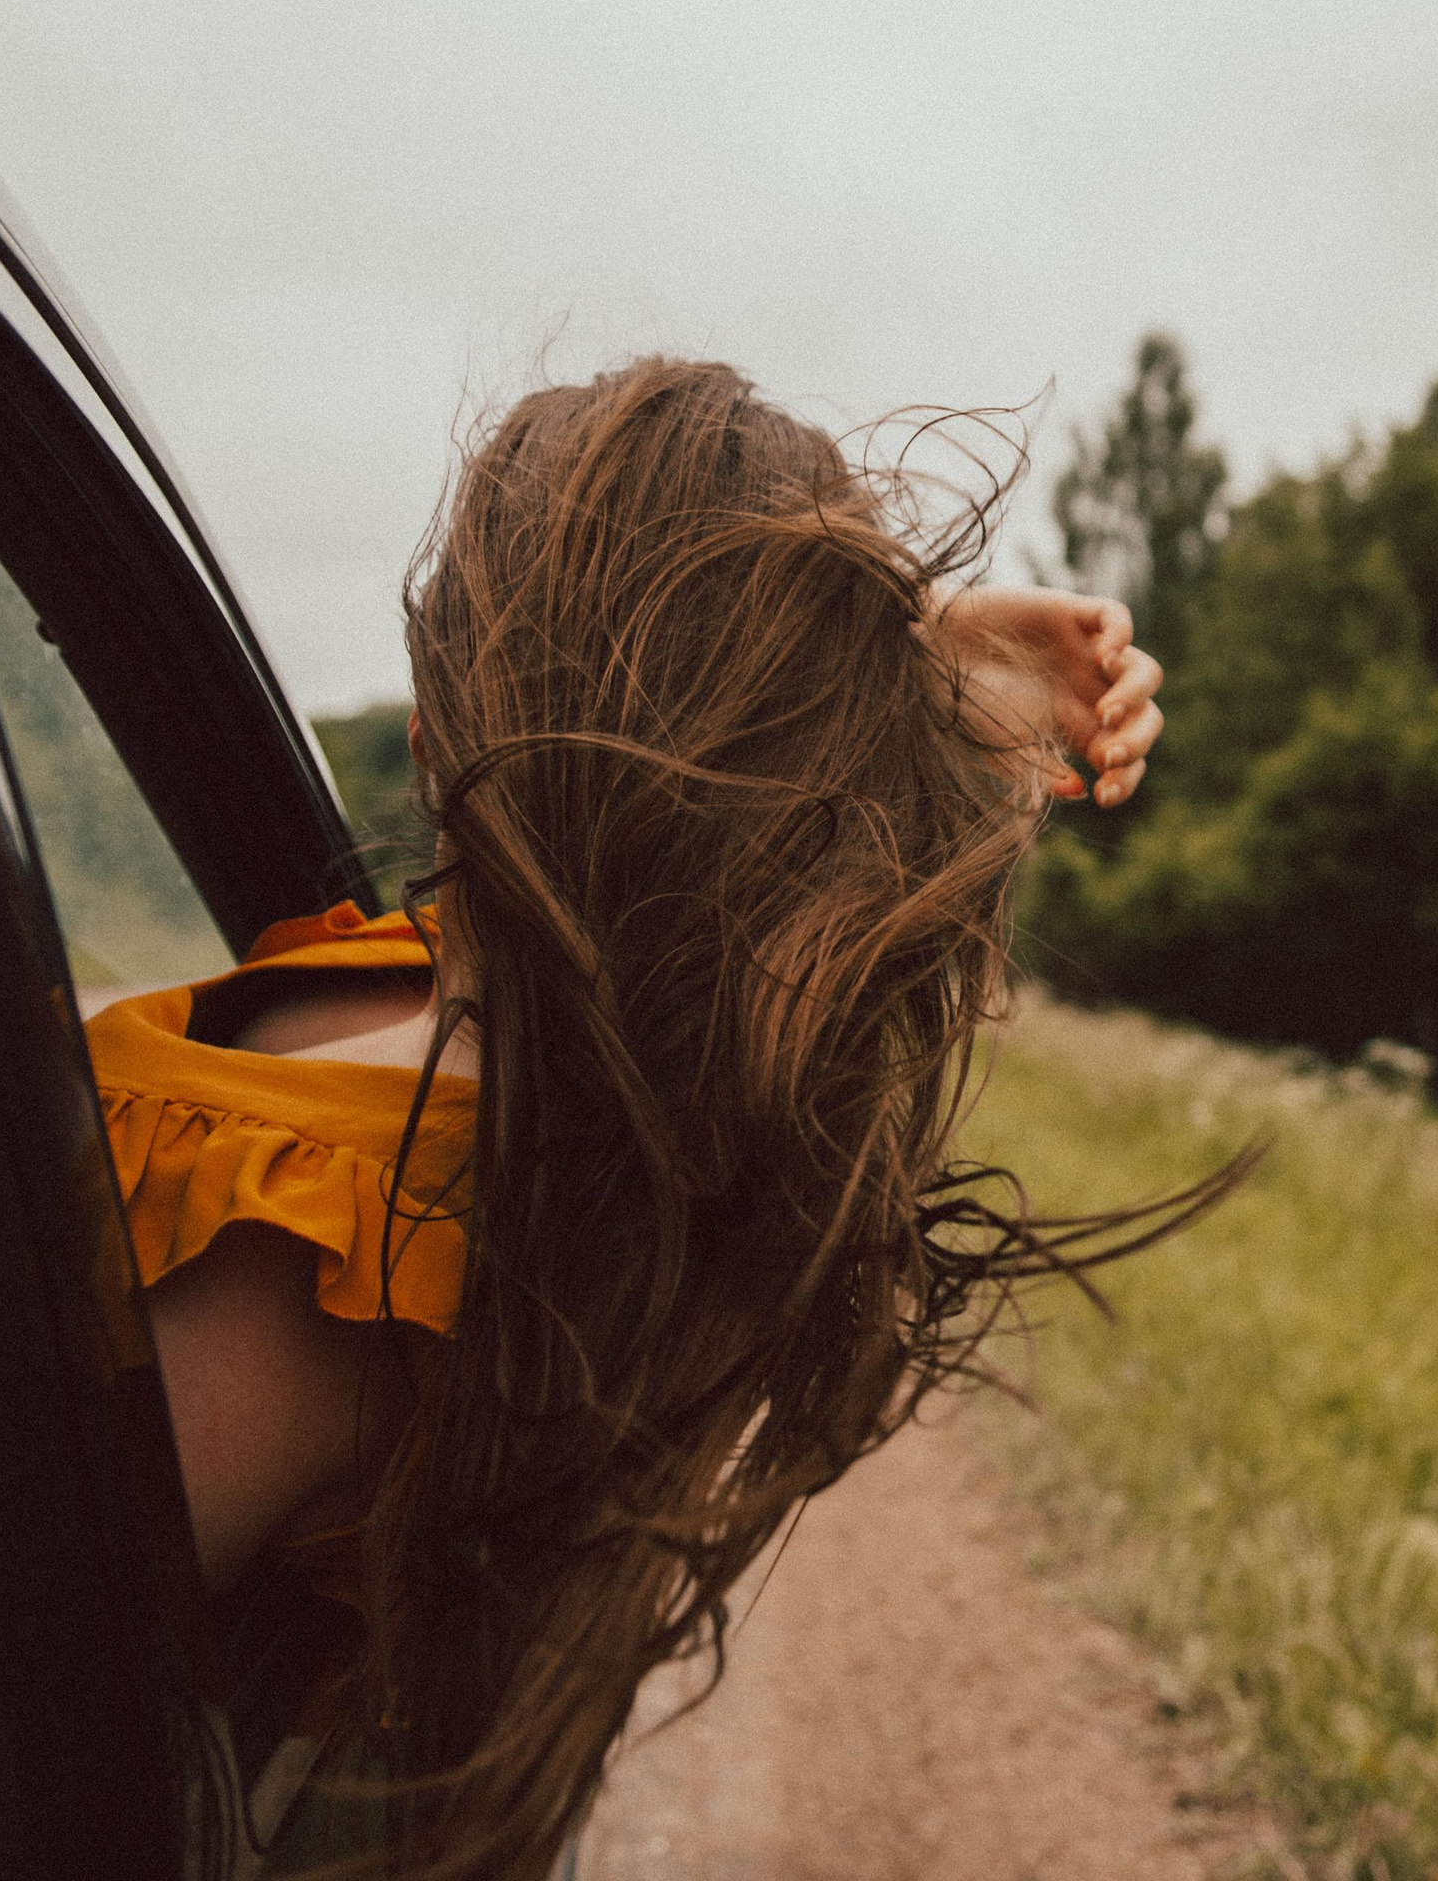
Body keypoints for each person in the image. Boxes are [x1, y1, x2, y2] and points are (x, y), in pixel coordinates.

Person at [81, 357, 1236, 1880]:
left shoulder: (320, 1256)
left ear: (434, 728)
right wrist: (901, 683)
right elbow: (690, 841)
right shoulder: (540, 1076)